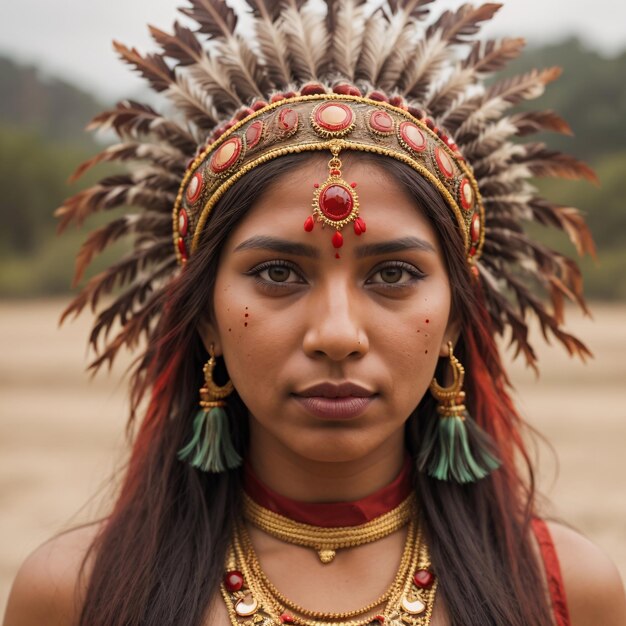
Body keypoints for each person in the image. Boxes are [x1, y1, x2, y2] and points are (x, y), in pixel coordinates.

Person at [3, 1, 625, 625]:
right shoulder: (74, 596)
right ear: (206, 319)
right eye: (278, 274)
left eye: (392, 275)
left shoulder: (565, 592)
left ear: (456, 320)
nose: (336, 335)